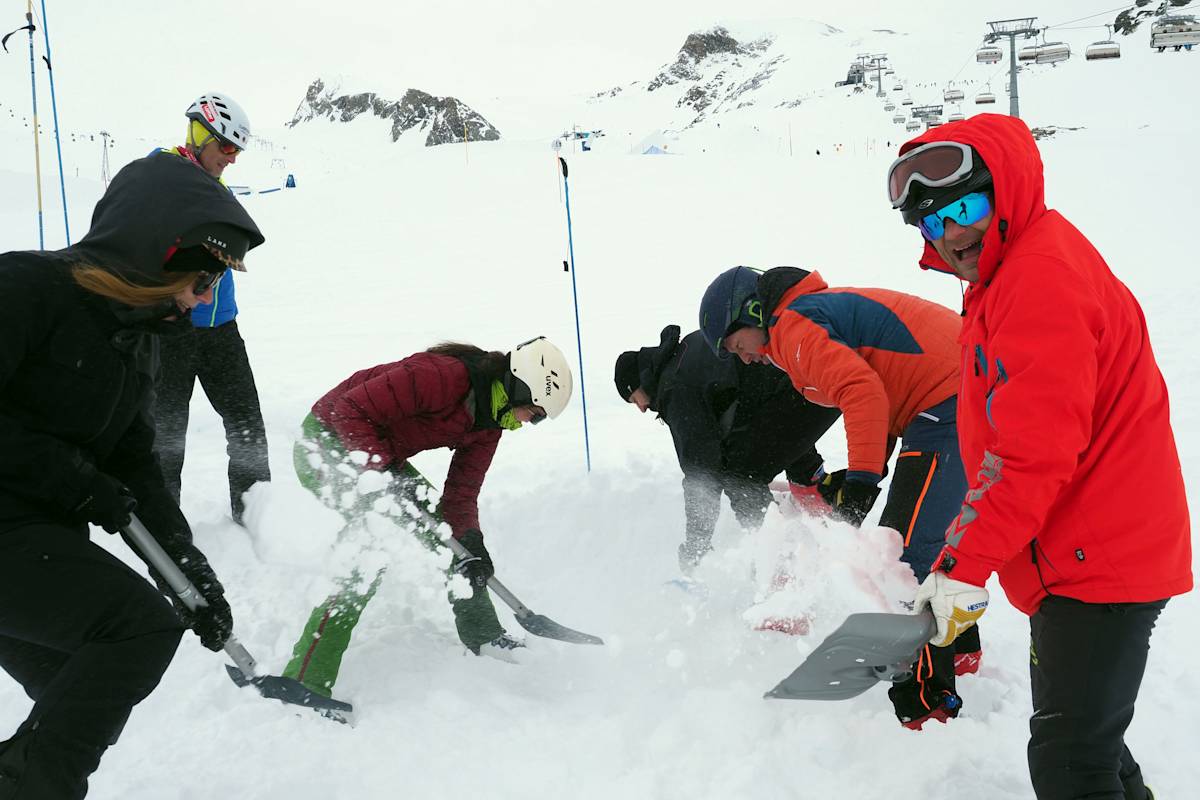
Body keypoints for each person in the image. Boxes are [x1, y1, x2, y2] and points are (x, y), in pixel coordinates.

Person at [888, 114, 1191, 798]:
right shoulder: (1006, 277)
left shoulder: (1039, 280)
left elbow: (1029, 455)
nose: (952, 235)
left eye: (963, 209)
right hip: (1080, 556)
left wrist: (963, 569)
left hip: (1101, 558)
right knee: (1088, 746)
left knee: (1070, 764)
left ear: (1007, 191)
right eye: (933, 225)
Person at [0, 150, 263, 798]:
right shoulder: (26, 289)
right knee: (134, 626)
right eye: (201, 283)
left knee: (77, 678)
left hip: (35, 532)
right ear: (152, 250)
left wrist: (188, 570)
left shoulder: (135, 341)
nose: (203, 303)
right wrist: (74, 479)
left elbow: (133, 464)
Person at [699, 265, 979, 728]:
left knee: (903, 558)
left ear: (752, 313)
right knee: (925, 536)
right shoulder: (806, 320)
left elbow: (863, 393)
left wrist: (863, 484)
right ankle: (963, 651)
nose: (744, 358)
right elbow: (884, 389)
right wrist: (859, 474)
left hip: (951, 398)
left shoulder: (791, 326)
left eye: (736, 346)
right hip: (948, 398)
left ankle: (927, 699)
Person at [281, 337, 573, 699]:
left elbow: (461, 496)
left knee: (452, 541)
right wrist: (381, 468)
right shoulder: (443, 377)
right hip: (326, 443)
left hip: (380, 458)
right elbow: (349, 409)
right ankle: (304, 678)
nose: (531, 423)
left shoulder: (490, 422)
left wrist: (472, 545)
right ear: (518, 386)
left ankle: (483, 633)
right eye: (535, 413)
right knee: (369, 550)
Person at [613, 324, 840, 572]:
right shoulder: (684, 354)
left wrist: (695, 548)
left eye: (634, 399)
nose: (642, 408)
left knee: (739, 476)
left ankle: (777, 561)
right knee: (749, 443)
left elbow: (702, 475)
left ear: (640, 382)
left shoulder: (674, 387)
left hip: (808, 387)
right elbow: (755, 403)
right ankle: (824, 504)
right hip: (815, 376)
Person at [154, 92, 270, 525]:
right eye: (226, 147)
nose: (232, 158)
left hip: (223, 328)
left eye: (237, 150)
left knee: (247, 426)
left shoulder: (213, 186)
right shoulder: (164, 174)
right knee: (166, 438)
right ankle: (164, 533)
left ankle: (257, 516)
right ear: (200, 134)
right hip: (172, 329)